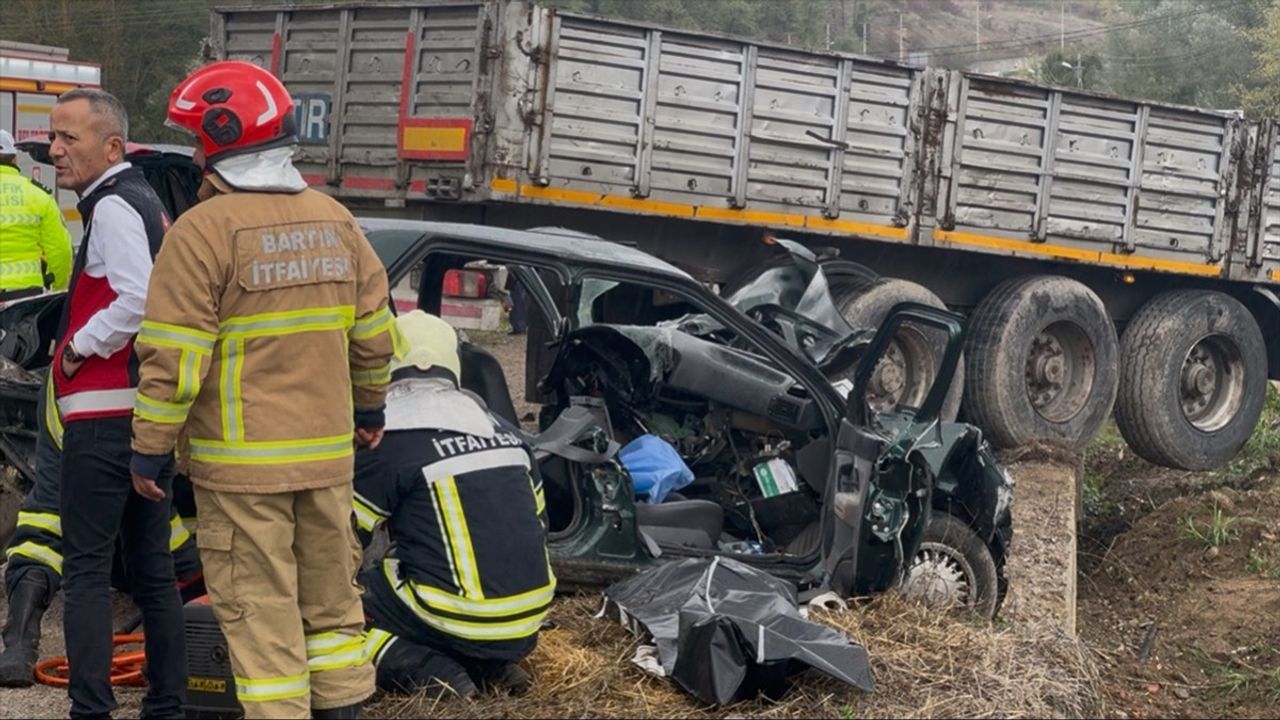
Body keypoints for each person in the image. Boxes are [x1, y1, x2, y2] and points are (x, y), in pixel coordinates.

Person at [130, 60, 398, 719]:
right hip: (329, 462)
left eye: (198, 139)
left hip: (243, 471)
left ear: (222, 136)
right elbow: (375, 332)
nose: (194, 153)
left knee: (261, 617)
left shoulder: (201, 232)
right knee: (333, 611)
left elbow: (175, 358)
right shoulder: (336, 219)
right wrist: (370, 408)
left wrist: (149, 448)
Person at [47, 88, 188, 718]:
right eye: (53, 137)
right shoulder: (147, 200)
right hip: (145, 422)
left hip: (104, 422)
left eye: (67, 138)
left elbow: (138, 297)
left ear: (111, 146)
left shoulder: (110, 206)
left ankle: (91, 710)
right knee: (155, 575)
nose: (53, 150)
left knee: (85, 574)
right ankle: (167, 706)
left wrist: (78, 344)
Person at [355, 311, 553, 699]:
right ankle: (492, 666)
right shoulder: (505, 434)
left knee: (338, 610)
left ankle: (433, 672)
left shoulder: (389, 439)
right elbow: (537, 526)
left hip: (456, 618)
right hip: (528, 623)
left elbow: (339, 540)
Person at [0, 377, 205, 688]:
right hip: (150, 403)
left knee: (49, 511)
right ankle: (181, 653)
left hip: (73, 389)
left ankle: (19, 646)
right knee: (155, 513)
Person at [0, 128, 72, 302]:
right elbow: (60, 251)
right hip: (25, 297)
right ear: (14, 158)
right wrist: (57, 287)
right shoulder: (38, 195)